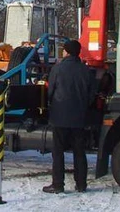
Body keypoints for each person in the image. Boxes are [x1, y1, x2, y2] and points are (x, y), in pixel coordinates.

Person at [42, 39, 95, 194]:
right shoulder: (86, 71)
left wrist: (49, 107)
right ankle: (81, 184)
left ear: (66, 51)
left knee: (58, 152)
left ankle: (58, 184)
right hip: (79, 117)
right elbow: (91, 94)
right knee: (79, 152)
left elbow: (50, 92)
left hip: (59, 117)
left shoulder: (57, 69)